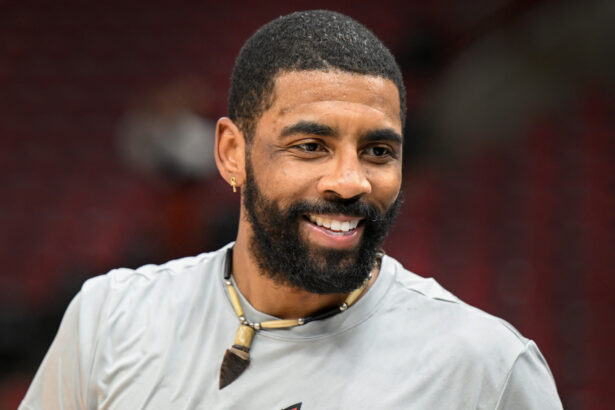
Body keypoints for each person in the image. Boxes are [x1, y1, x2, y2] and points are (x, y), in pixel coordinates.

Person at [20, 10, 562, 409]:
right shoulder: (110, 318)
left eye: (378, 151)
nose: (350, 182)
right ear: (232, 154)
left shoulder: (488, 369)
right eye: (310, 146)